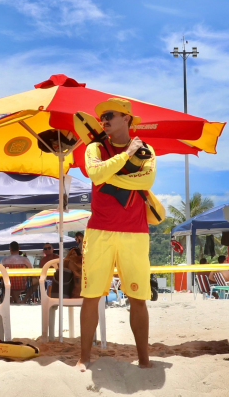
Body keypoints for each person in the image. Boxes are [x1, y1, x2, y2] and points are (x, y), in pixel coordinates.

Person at [77, 98, 156, 371]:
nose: (104, 120)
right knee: (91, 296)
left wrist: (109, 174)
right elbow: (94, 173)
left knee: (138, 298)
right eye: (102, 117)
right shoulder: (95, 147)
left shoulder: (146, 150)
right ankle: (84, 357)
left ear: (127, 119)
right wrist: (124, 157)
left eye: (110, 115)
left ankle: (144, 359)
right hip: (99, 231)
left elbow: (145, 181)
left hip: (135, 232)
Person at [63, 232, 84, 298]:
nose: (76, 241)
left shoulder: (82, 245)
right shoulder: (87, 243)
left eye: (76, 239)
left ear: (79, 237)